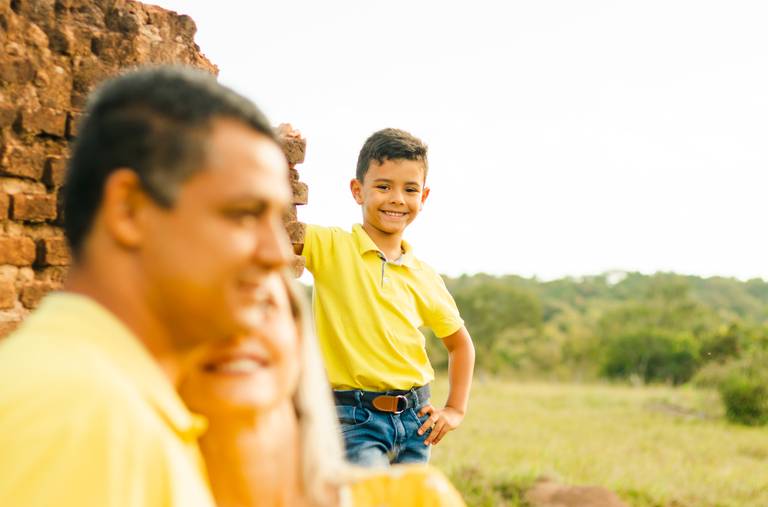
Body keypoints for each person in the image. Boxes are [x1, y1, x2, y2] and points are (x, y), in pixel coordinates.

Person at [0, 66, 294, 506]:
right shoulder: (87, 419)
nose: (278, 254)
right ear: (129, 210)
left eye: (279, 220)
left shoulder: (119, 405)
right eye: (244, 213)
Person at [179, 270, 467, 507]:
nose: (237, 331)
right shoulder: (154, 482)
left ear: (298, 337)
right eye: (206, 317)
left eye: (263, 307)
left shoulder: (421, 495)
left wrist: (455, 408)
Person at [295, 127, 476, 466]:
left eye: (410, 189)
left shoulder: (424, 275)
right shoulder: (331, 246)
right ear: (357, 190)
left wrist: (454, 408)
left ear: (423, 198)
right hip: (353, 418)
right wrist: (280, 154)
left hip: (416, 421)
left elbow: (460, 344)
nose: (397, 198)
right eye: (383, 186)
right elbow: (277, 223)